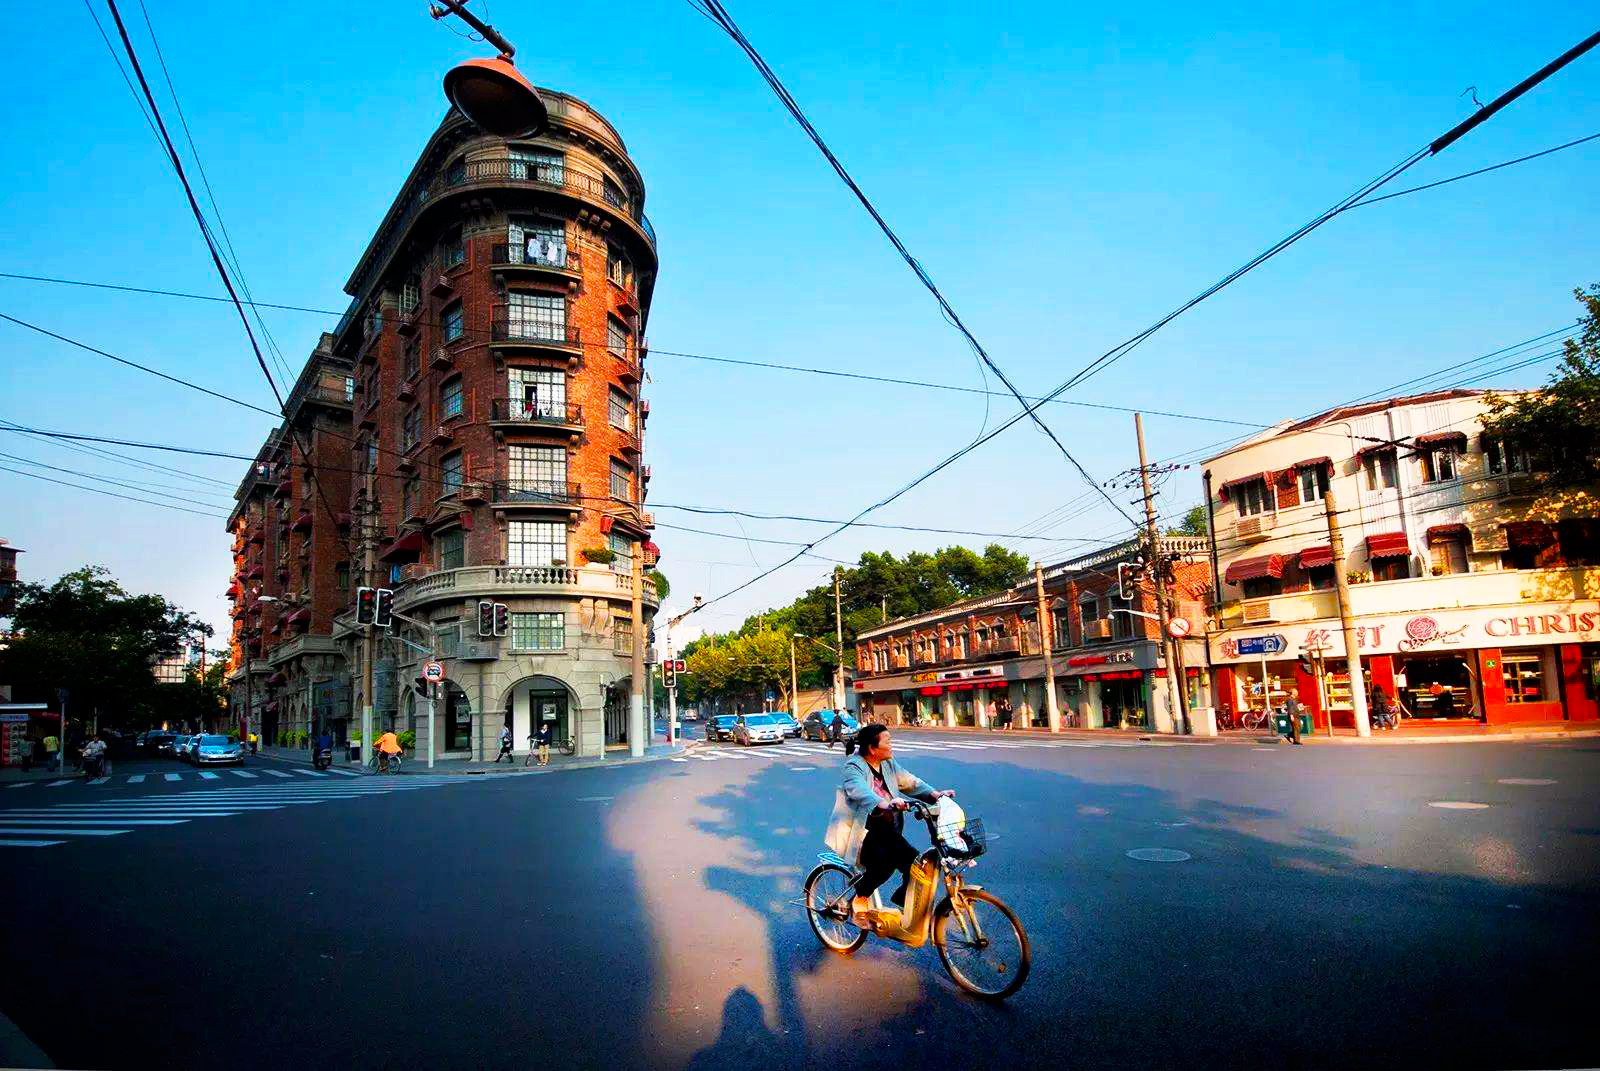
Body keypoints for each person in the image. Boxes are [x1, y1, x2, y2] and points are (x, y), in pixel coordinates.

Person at [824, 724, 953, 927]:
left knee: (915, 863)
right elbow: (857, 789)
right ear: (872, 748)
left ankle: (903, 900)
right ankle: (861, 898)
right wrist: (883, 803)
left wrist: (935, 795)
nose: (892, 745)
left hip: (886, 829)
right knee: (886, 865)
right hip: (863, 832)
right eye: (888, 741)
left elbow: (910, 782)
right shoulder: (854, 766)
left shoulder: (888, 763)